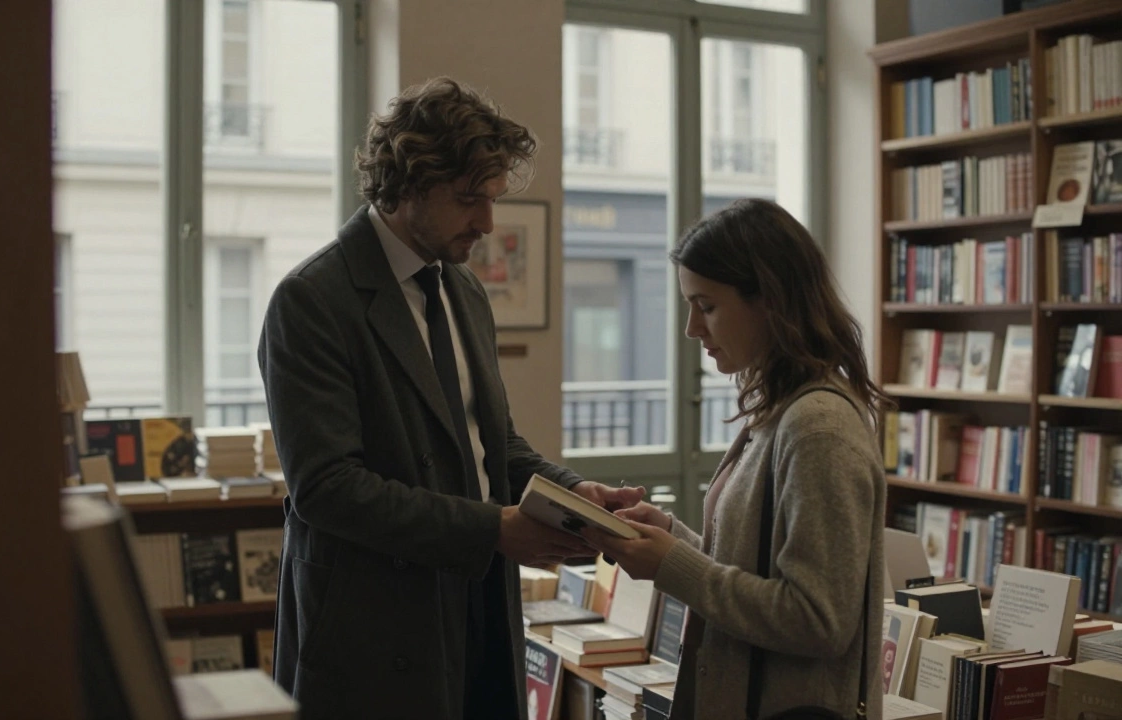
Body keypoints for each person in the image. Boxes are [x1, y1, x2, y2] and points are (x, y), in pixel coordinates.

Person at [257, 76, 643, 720]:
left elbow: (494, 446)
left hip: (477, 604)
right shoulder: (312, 300)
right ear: (409, 183)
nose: (487, 223)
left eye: (490, 199)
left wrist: (575, 496)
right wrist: (494, 529)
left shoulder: (463, 291)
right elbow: (326, 488)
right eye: (469, 200)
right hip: (373, 630)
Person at [585, 198, 889, 719]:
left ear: (769, 300)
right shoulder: (781, 409)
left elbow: (820, 620)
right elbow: (753, 569)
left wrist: (673, 565)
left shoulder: (818, 428)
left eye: (706, 306)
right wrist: (671, 539)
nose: (691, 329)